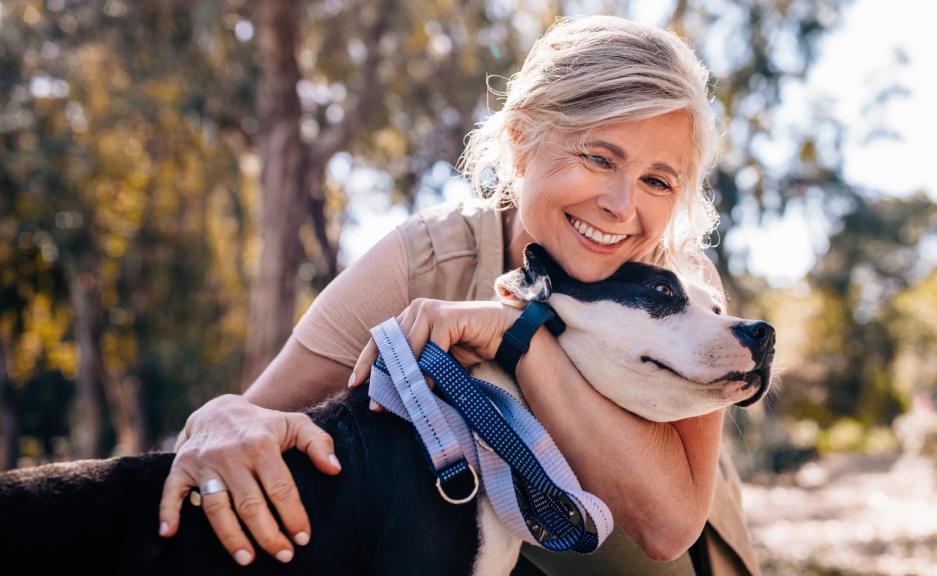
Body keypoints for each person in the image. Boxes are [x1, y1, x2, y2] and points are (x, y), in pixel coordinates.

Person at [158, 15, 762, 576]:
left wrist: (515, 335)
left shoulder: (683, 292)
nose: (622, 205)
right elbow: (258, 414)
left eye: (657, 181)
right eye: (599, 158)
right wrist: (219, 418)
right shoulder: (427, 259)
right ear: (523, 139)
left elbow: (665, 527)